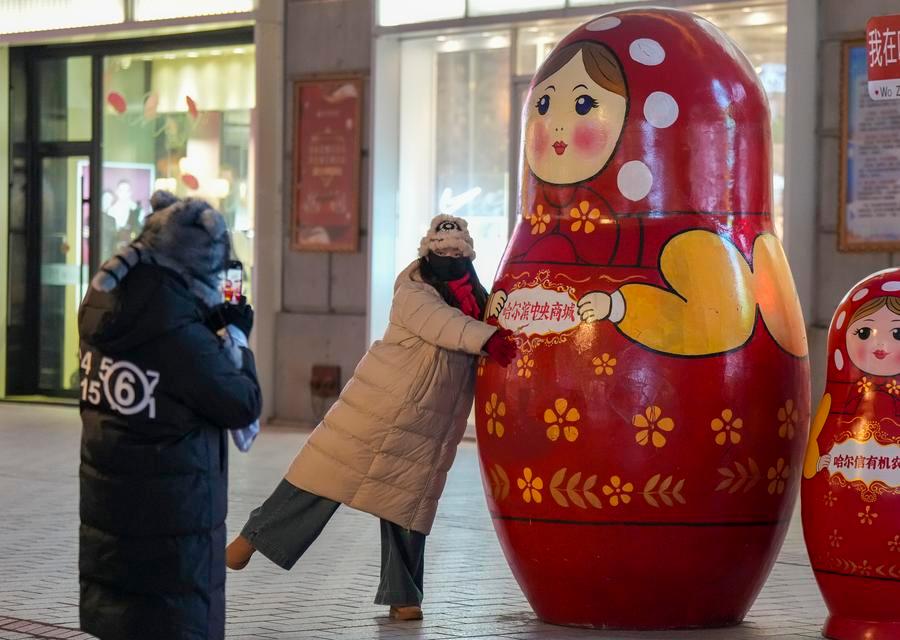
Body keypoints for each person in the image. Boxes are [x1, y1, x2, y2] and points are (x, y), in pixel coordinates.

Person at [225, 214, 517, 621]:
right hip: (385, 404)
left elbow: (479, 323)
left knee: (408, 505)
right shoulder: (413, 290)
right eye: (444, 251)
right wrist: (487, 339)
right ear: (428, 251)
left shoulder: (474, 294)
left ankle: (404, 594)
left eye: (458, 252)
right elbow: (443, 324)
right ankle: (249, 540)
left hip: (428, 424)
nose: (451, 258)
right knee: (321, 476)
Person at [78, 190, 262, 640]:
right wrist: (235, 336)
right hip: (173, 534)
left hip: (113, 528)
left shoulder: (107, 307)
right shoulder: (174, 328)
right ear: (191, 267)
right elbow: (240, 402)